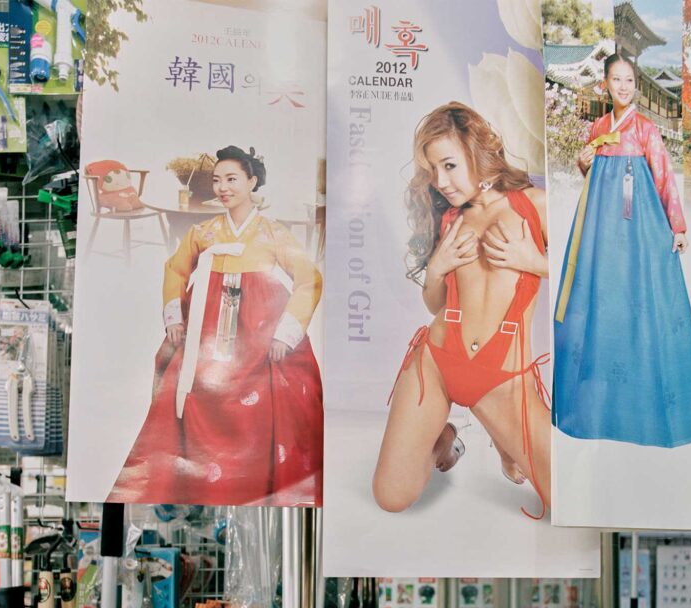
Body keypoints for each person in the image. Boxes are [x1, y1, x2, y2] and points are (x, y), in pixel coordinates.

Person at [108, 145, 323, 505]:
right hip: (203, 333)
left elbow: (309, 279)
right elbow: (175, 270)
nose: (223, 187)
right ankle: (191, 483)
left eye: (232, 179)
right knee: (184, 388)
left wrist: (286, 333)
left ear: (252, 181)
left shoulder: (272, 233)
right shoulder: (203, 232)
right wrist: (174, 317)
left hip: (259, 333)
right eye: (217, 180)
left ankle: (259, 483)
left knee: (278, 397)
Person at [373, 102, 552, 519]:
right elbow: (436, 303)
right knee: (391, 498)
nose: (441, 181)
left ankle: (503, 441)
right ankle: (444, 434)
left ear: (478, 151)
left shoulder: (535, 205)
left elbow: (595, 276)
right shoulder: (452, 218)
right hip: (438, 361)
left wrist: (536, 262)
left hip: (504, 379)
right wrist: (436, 269)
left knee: (566, 501)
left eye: (450, 165)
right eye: (433, 170)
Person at [552, 53, 691, 447]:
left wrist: (677, 226)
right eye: (616, 80)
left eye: (629, 81)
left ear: (636, 86)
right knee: (597, 296)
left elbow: (663, 177)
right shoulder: (597, 126)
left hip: (637, 227)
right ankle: (594, 395)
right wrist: (582, 161)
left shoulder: (645, 128)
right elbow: (591, 178)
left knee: (638, 297)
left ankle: (641, 393)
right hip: (599, 229)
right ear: (605, 84)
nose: (623, 87)